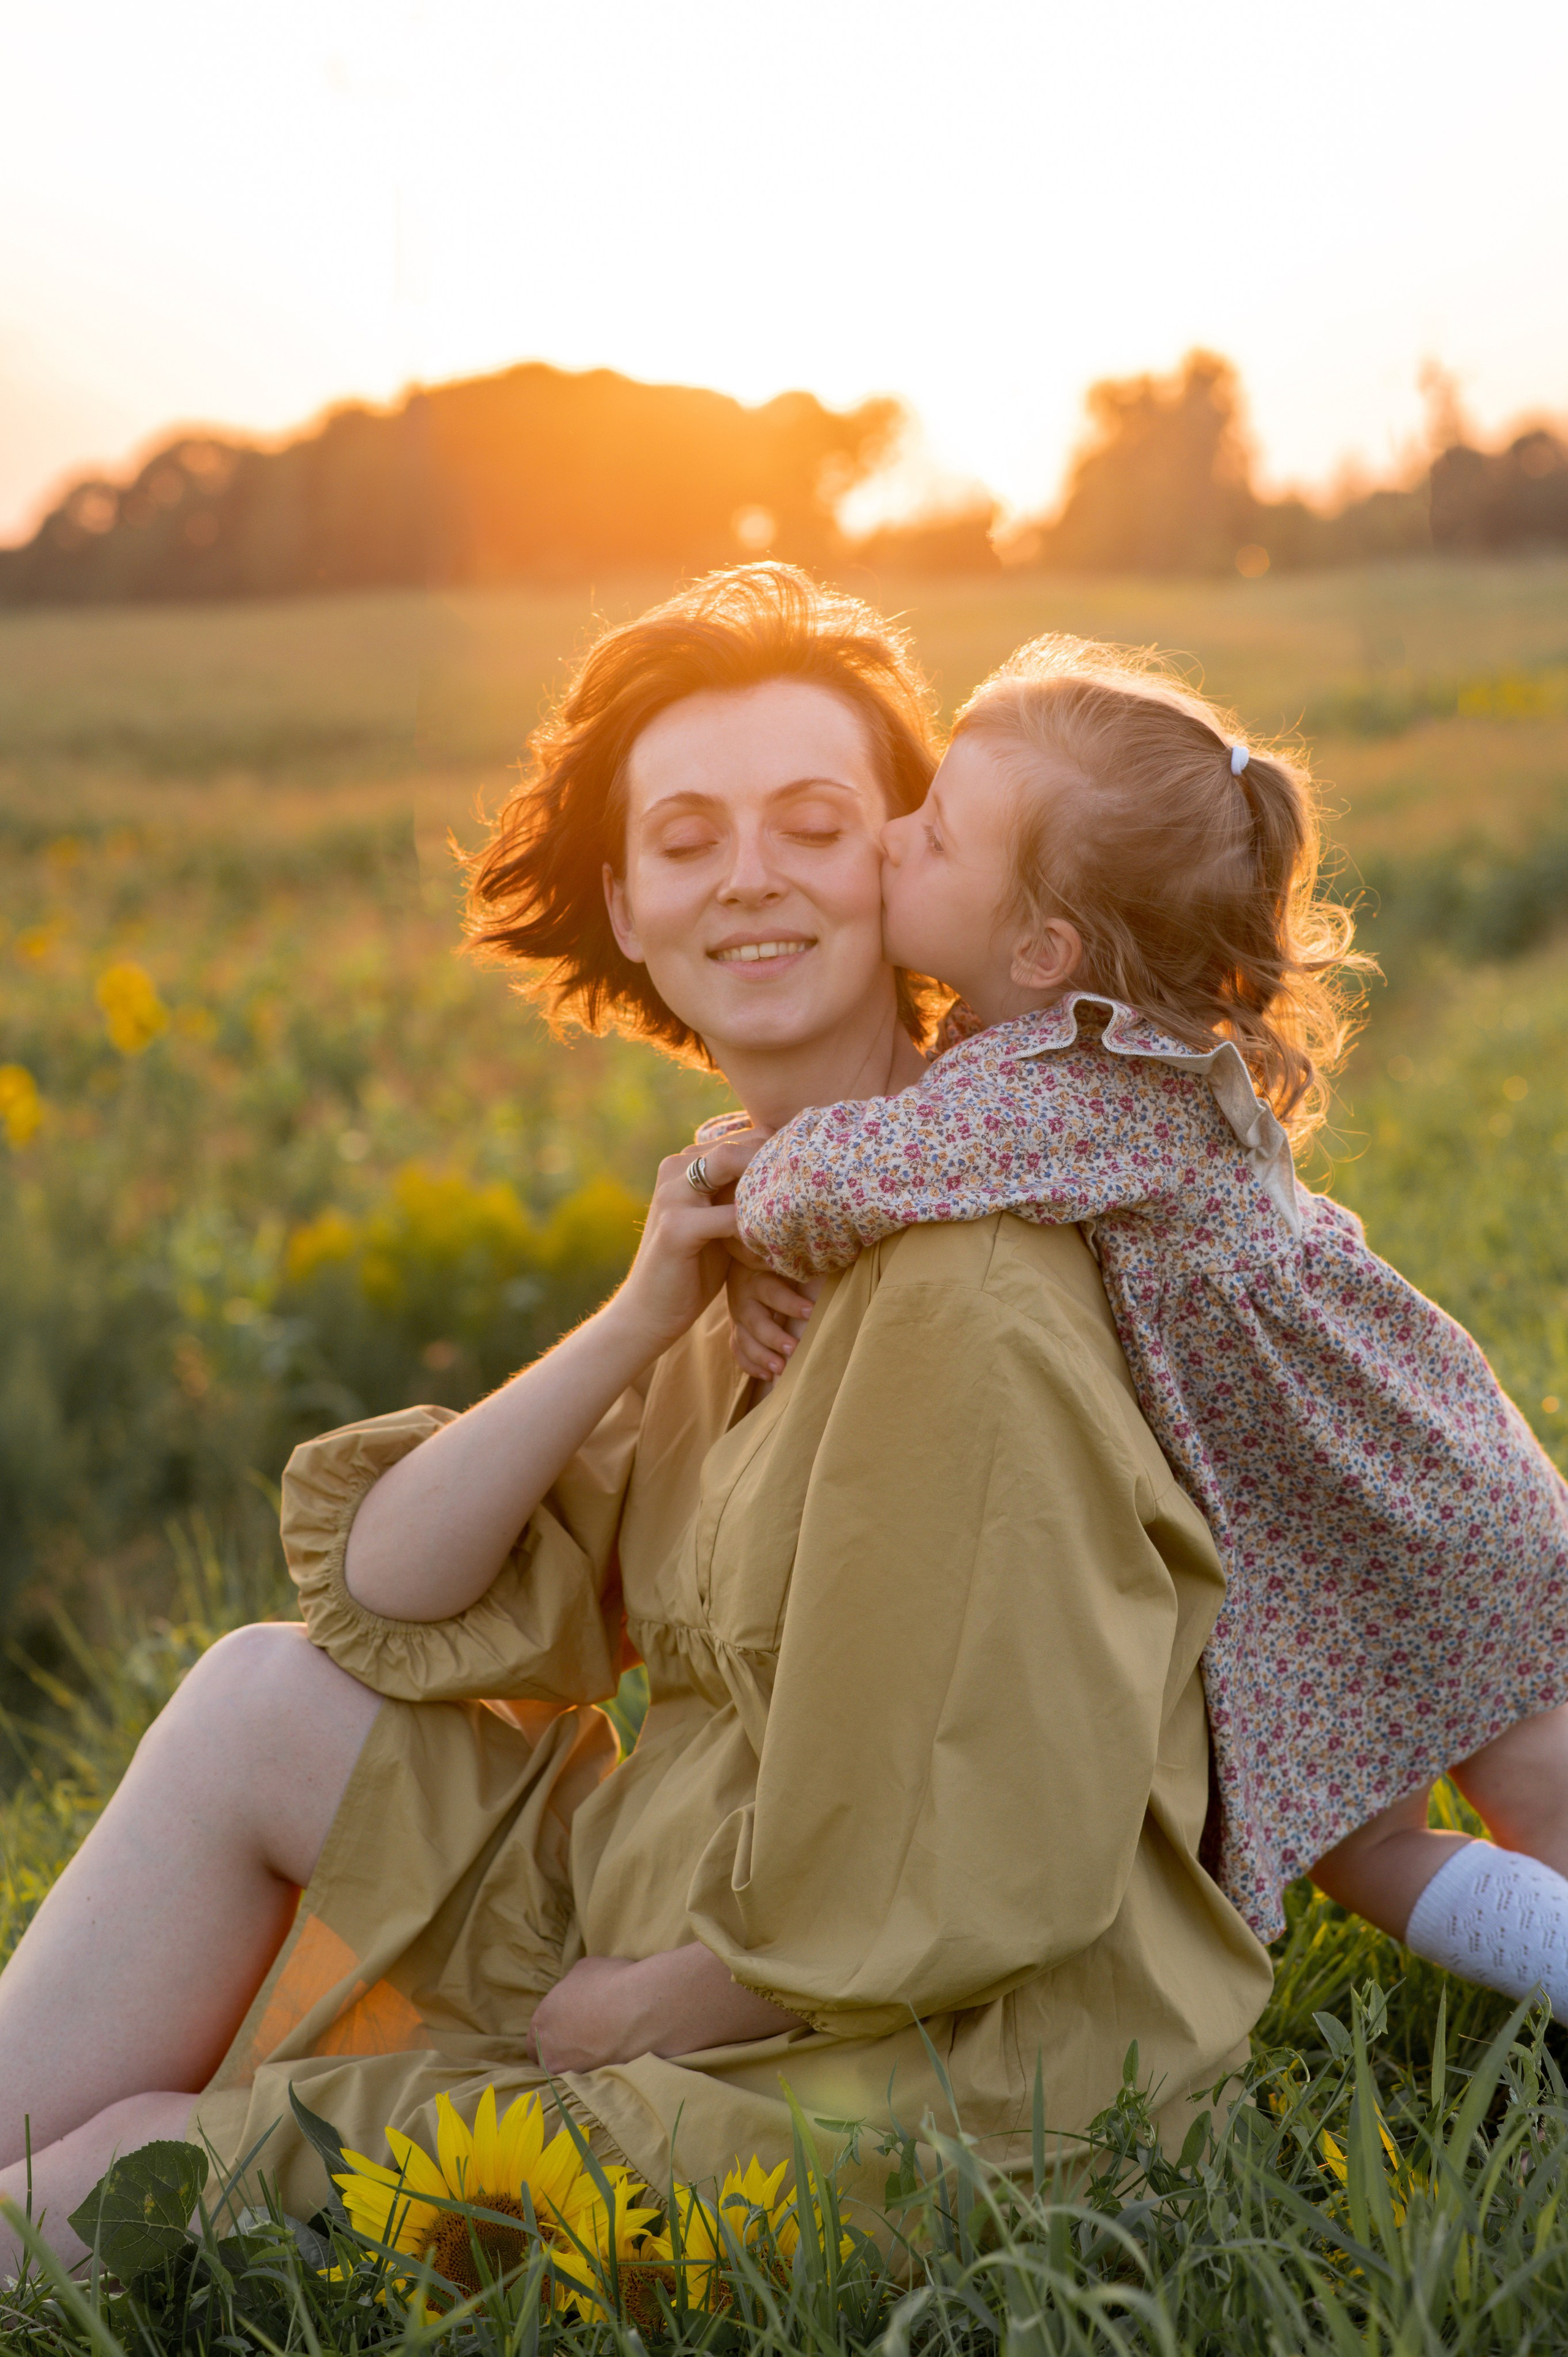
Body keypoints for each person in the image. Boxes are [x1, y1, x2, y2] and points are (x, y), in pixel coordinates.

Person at [0, 570, 1271, 2272]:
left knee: (107, 2179)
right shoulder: (760, 1219)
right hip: (685, 1902)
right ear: (627, 896)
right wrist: (635, 1315)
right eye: (685, 838)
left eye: (813, 823)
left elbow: (983, 1855)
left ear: (911, 859)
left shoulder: (963, 1284)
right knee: (256, 1698)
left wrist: (625, 2016)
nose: (746, 875)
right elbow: (394, 1591)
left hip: (896, 2067)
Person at [726, 632, 1568, 2013]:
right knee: (1425, 1822)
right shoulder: (1099, 1049)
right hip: (1406, 1472)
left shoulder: (1066, 1091)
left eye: (932, 835)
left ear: (1039, 946)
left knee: (1412, 1833)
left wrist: (727, 1165)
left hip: (1379, 1502)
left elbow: (823, 1179)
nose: (887, 840)